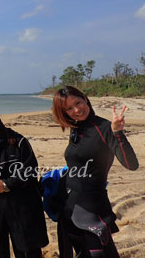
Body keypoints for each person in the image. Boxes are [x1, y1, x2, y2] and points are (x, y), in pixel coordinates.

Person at [52, 86, 139, 258]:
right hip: (71, 205)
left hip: (92, 208)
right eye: (69, 108)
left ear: (85, 98)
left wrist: (118, 133)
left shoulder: (104, 127)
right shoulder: (77, 128)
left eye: (78, 103)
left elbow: (131, 165)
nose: (77, 110)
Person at [0, 102, 48, 258]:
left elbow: (30, 170)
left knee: (27, 250)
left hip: (22, 206)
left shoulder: (18, 141)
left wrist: (6, 184)